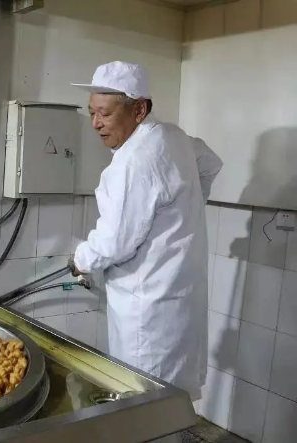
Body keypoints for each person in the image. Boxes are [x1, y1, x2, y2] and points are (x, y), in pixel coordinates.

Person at [69, 62, 222, 420]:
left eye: (105, 113)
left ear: (139, 109)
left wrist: (80, 259)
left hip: (148, 309)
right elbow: (210, 164)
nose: (96, 123)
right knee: (170, 398)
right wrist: (183, 212)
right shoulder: (174, 138)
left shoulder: (133, 161)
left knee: (143, 404)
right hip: (179, 299)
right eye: (92, 113)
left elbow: (114, 243)